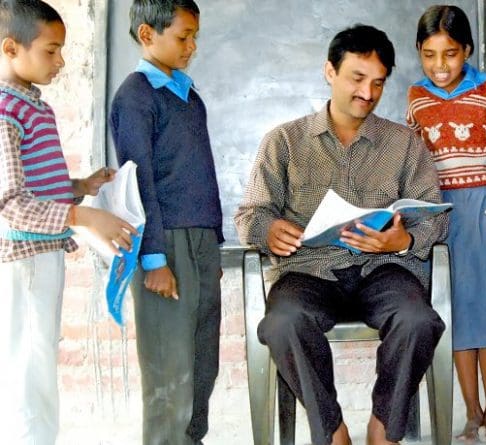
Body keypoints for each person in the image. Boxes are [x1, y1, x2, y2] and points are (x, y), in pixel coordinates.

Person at [235, 24, 447, 445]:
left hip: (383, 267)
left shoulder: (405, 144)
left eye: (378, 83)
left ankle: (384, 429)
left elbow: (435, 219)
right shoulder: (285, 142)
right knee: (282, 323)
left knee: (419, 319)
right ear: (330, 72)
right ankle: (331, 433)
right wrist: (268, 229)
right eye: (357, 78)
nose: (367, 92)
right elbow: (250, 215)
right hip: (309, 272)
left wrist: (401, 241)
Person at [0, 1, 136, 442]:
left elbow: (36, 186)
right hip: (23, 262)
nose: (61, 61)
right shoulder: (5, 113)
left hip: (41, 257)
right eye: (51, 51)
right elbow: (11, 204)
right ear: (10, 47)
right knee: (27, 374)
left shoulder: (29, 104)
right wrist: (83, 216)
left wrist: (82, 185)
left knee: (36, 366)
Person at [407, 5, 486, 442]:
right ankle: (471, 411)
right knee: (455, 309)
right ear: (419, 53)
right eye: (430, 54)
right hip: (443, 214)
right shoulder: (416, 98)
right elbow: (413, 155)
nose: (440, 65)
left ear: (469, 52)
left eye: (451, 54)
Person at [108, 1, 224, 443]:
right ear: (146, 34)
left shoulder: (189, 96)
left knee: (201, 363)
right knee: (168, 371)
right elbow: (139, 185)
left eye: (195, 36)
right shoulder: (135, 97)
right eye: (183, 37)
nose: (191, 46)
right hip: (164, 244)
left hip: (199, 244)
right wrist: (153, 258)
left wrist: (211, 244)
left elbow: (201, 175)